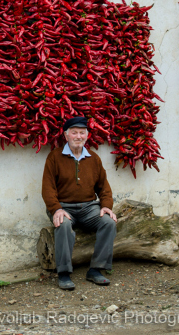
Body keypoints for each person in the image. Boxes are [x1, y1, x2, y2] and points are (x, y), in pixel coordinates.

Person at [41, 116, 117, 290]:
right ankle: (64, 273)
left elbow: (104, 187)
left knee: (108, 222)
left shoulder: (94, 158)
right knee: (64, 224)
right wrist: (56, 209)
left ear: (87, 136)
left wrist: (106, 206)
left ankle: (96, 270)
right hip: (63, 206)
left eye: (82, 133)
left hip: (89, 207)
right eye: (74, 133)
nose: (78, 136)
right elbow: (47, 188)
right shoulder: (54, 157)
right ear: (66, 135)